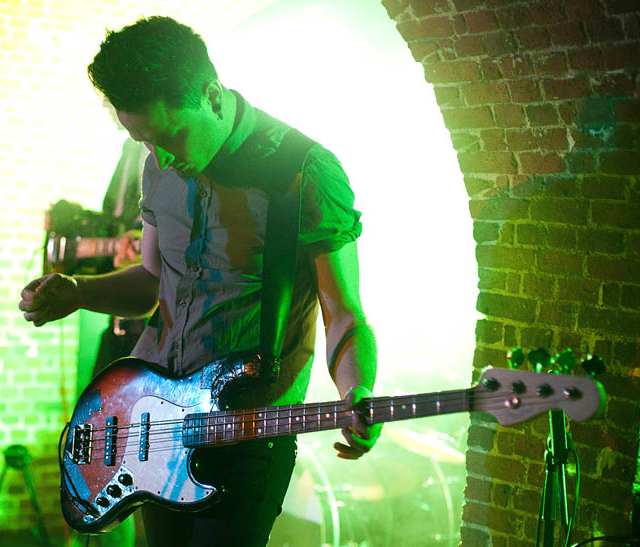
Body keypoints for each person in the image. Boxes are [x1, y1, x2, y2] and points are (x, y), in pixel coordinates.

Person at [19, 15, 379, 547]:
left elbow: (344, 312)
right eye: (143, 141)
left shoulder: (304, 170)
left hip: (246, 433)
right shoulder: (157, 163)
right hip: (152, 425)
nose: (161, 158)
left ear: (211, 95)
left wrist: (356, 390)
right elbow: (151, 283)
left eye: (168, 137)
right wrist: (79, 292)